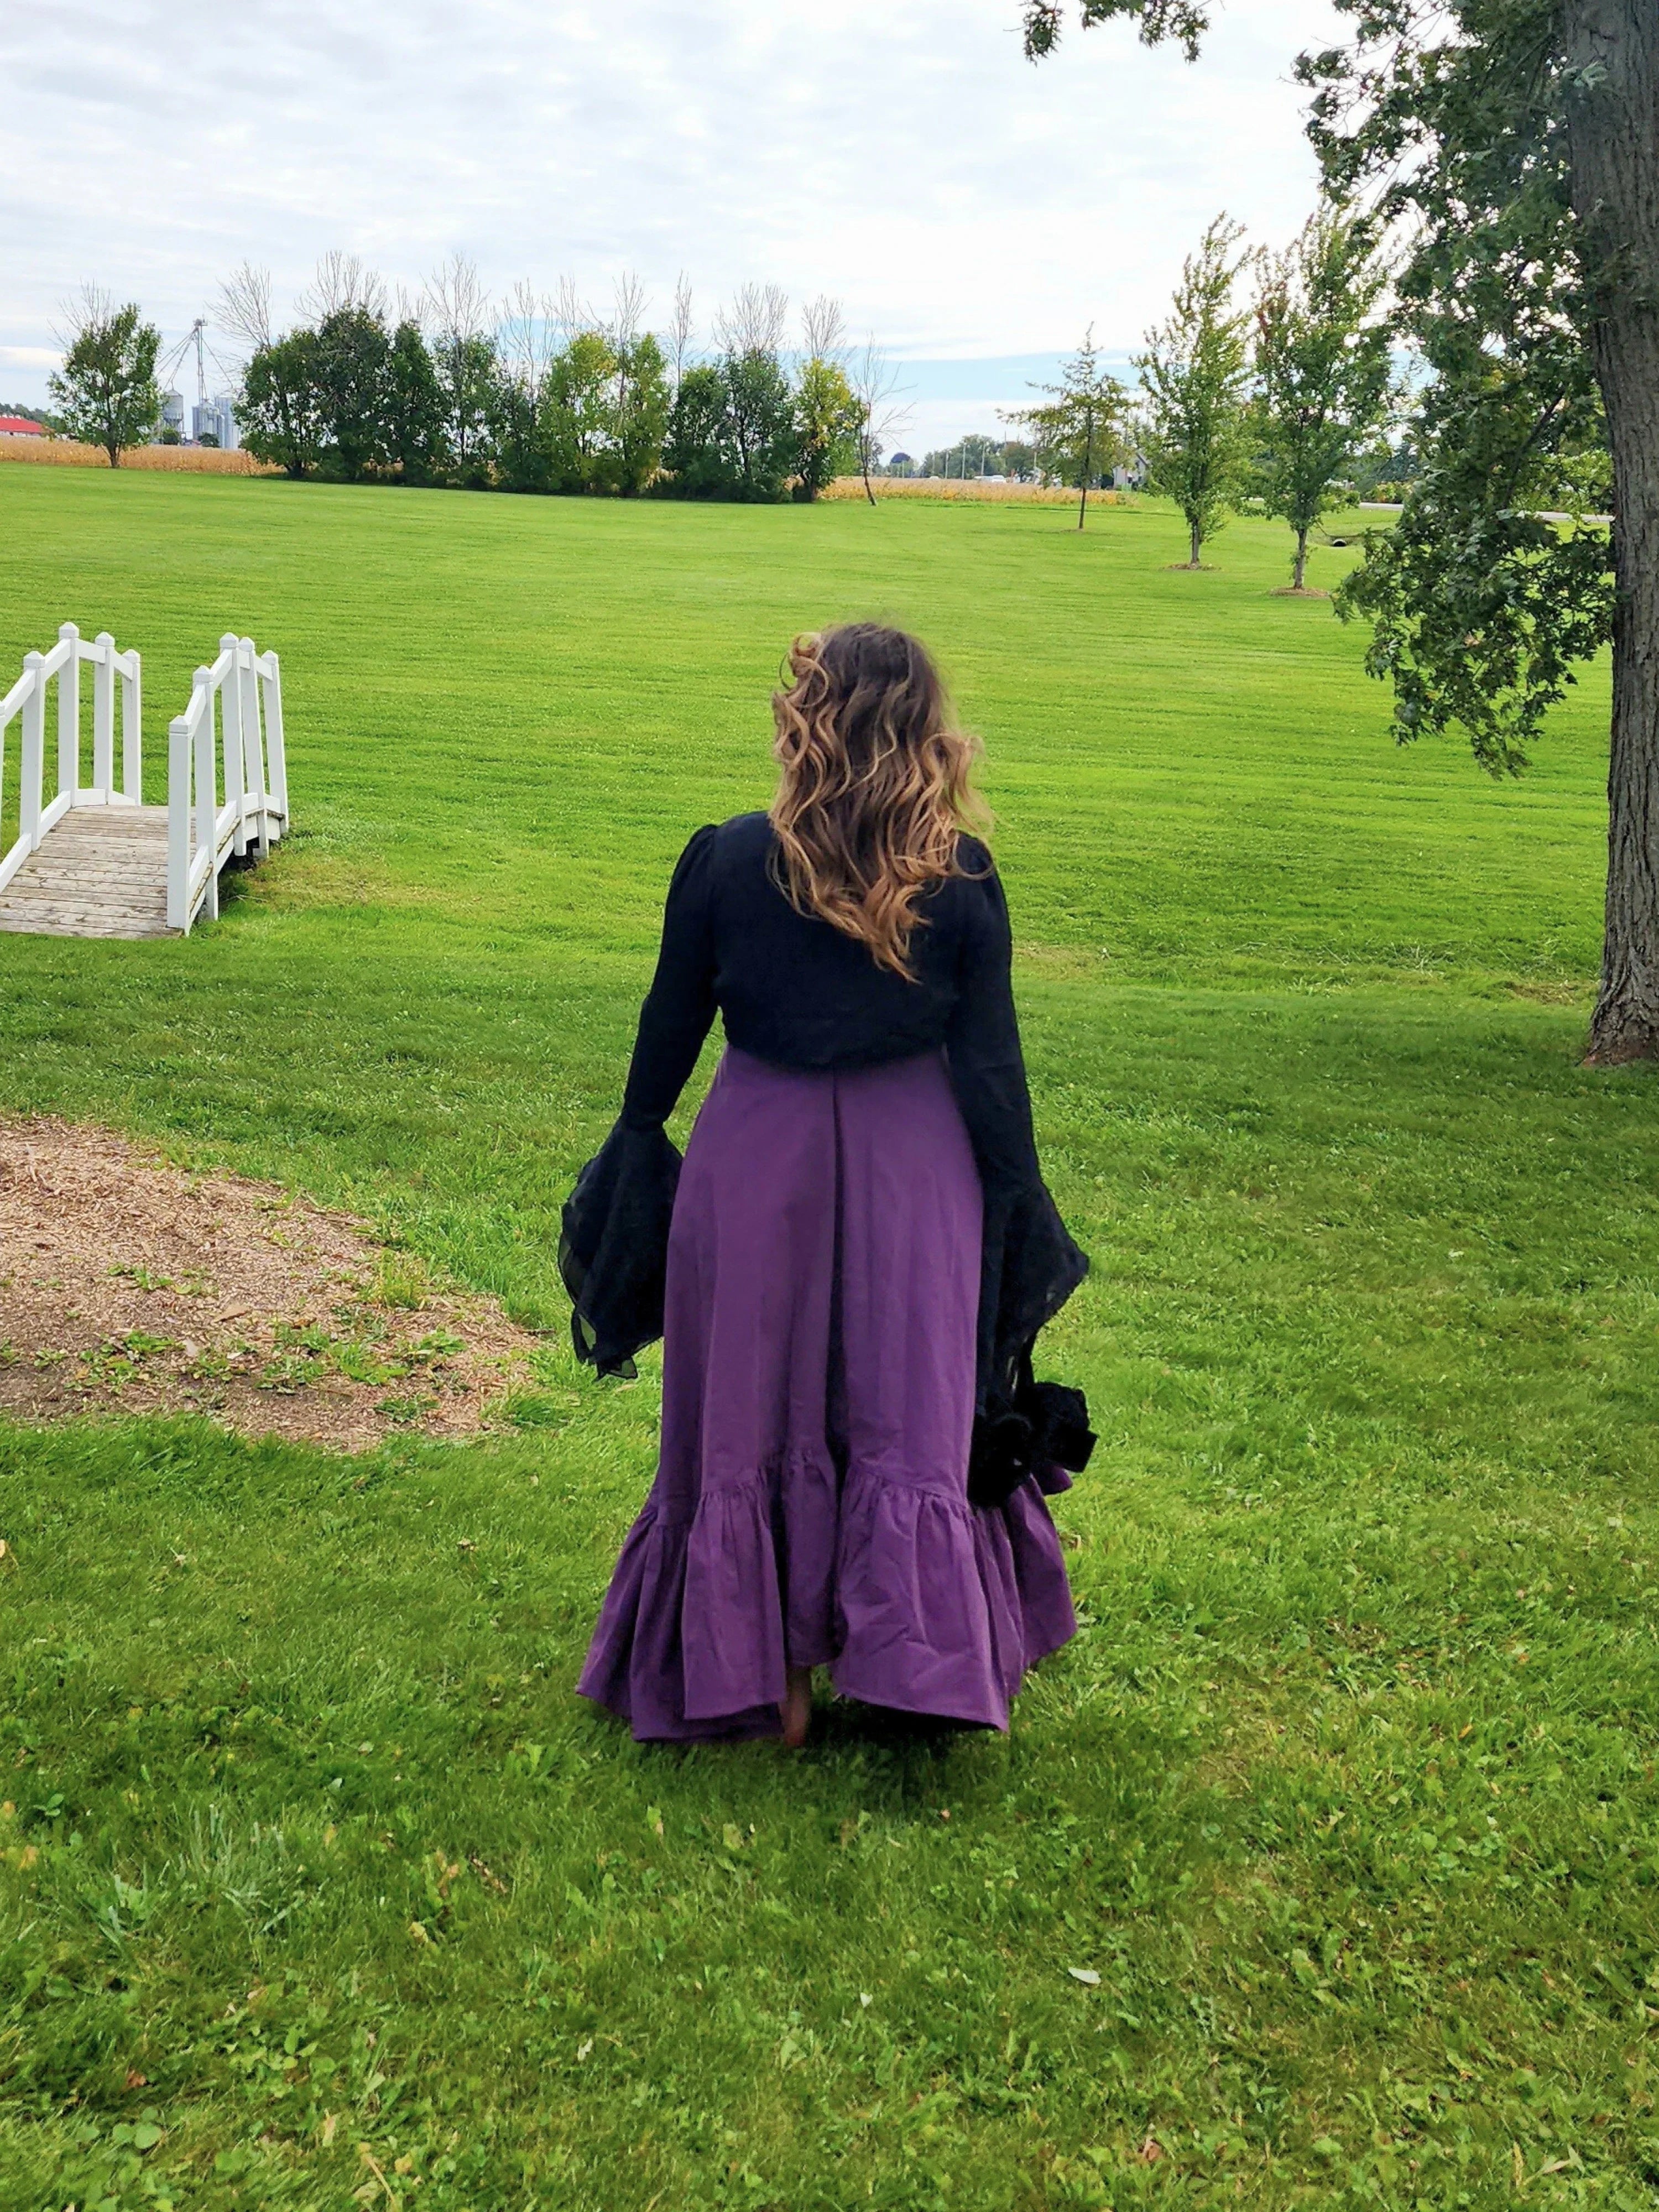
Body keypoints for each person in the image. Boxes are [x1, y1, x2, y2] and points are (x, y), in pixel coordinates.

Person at [562, 623, 1093, 1748]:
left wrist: (635, 1152)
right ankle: (905, 1665)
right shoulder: (960, 878)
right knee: (904, 1404)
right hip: (917, 1169)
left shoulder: (723, 860)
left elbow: (664, 1046)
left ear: (806, 724)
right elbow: (993, 1074)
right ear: (922, 733)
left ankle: (774, 1682)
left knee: (750, 1411)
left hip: (757, 1161)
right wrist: (1014, 1211)